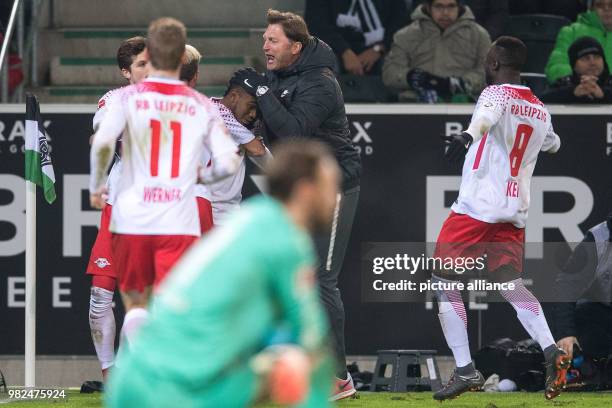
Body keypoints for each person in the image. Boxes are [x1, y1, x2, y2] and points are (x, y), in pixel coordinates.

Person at [105, 140, 339, 408]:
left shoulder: (250, 219)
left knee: (273, 363)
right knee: (296, 363)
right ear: (305, 191)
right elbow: (312, 342)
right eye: (329, 186)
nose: (334, 198)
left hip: (134, 381)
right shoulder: (286, 240)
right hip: (176, 390)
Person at [89, 17, 239, 348]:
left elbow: (101, 143)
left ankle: (142, 374)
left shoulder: (124, 99)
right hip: (182, 208)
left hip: (135, 210)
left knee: (137, 305)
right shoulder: (201, 104)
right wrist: (204, 175)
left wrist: (96, 184)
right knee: (180, 297)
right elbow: (229, 160)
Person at [432, 36, 567, 401]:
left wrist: (465, 135)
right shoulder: (539, 108)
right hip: (513, 211)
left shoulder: (495, 94)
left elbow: (485, 120)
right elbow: (554, 143)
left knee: (443, 278)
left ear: (493, 62)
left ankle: (464, 370)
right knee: (510, 283)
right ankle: (551, 348)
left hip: (478, 207)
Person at [239, 9, 362, 400]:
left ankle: (339, 378)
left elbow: (295, 130)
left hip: (335, 187)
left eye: (272, 40)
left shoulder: (322, 81)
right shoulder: (280, 77)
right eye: (264, 39)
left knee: (323, 280)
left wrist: (258, 91)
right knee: (298, 278)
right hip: (300, 190)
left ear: (296, 46)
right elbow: (271, 129)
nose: (265, 46)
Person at [86, 36, 148, 382]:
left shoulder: (174, 100)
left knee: (148, 300)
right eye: (140, 64)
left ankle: (129, 371)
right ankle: (109, 370)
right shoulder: (113, 100)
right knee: (100, 295)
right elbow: (101, 132)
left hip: (161, 208)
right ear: (126, 72)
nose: (148, 69)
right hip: (120, 206)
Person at [198, 68, 273, 226]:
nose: (253, 114)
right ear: (234, 97)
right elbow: (257, 150)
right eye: (251, 106)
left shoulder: (240, 125)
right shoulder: (215, 112)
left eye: (257, 110)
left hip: (229, 213)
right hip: (207, 210)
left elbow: (269, 164)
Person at [382, 0, 491, 102]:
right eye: (439, 6)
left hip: (464, 105)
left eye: (451, 6)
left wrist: (464, 83)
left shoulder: (479, 35)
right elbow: (390, 73)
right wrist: (411, 77)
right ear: (428, 7)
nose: (445, 13)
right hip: (415, 104)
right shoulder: (405, 35)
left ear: (459, 7)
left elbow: (488, 71)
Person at [553, 213, 612, 362]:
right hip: (603, 315)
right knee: (583, 318)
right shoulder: (597, 238)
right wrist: (565, 334)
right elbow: (567, 285)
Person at [304, 0, 409, 76]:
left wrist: (380, 48)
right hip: (335, 48)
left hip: (381, 47)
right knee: (325, 65)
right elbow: (316, 24)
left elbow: (400, 21)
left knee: (394, 65)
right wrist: (345, 51)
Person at [546, 0, 612, 84]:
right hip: (575, 90)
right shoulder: (571, 31)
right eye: (600, 5)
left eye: (611, 5)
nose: (606, 9)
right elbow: (556, 67)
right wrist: (579, 81)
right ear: (591, 8)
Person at [542, 36, 612, 103]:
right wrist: (573, 93)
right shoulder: (564, 83)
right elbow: (540, 101)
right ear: (574, 65)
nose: (592, 63)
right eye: (585, 58)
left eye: (597, 57)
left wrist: (603, 94)